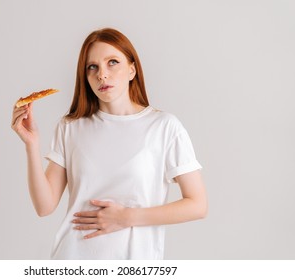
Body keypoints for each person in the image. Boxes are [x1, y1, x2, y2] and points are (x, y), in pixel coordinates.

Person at [11, 28, 207, 259]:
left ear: (132, 69)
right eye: (92, 67)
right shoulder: (71, 127)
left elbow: (197, 205)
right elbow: (44, 207)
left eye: (112, 62)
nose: (102, 75)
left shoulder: (164, 127)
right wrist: (31, 144)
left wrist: (126, 217)